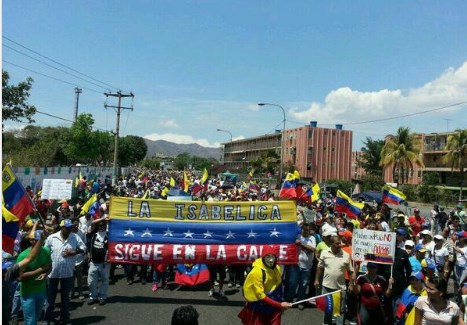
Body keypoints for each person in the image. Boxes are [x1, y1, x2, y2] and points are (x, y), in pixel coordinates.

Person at [44, 219, 86, 325]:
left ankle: (65, 318)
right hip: (52, 273)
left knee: (65, 299)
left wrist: (74, 252)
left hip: (67, 273)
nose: (69, 229)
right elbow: (44, 252)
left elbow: (84, 249)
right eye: (66, 227)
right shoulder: (51, 238)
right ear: (61, 227)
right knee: (50, 299)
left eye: (70, 227)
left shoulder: (75, 237)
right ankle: (47, 319)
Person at [238, 245, 292, 325]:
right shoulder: (256, 273)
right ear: (263, 257)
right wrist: (280, 305)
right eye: (268, 257)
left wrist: (280, 302)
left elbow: (278, 286)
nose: (270, 260)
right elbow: (261, 296)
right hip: (259, 310)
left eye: (273, 257)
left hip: (273, 309)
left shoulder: (277, 268)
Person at [314, 235, 355, 325]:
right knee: (328, 308)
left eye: (340, 243)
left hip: (340, 288)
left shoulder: (346, 255)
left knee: (340, 310)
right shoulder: (324, 253)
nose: (339, 245)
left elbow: (351, 272)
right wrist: (317, 280)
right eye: (337, 243)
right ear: (331, 244)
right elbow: (320, 268)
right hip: (326, 287)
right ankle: (326, 323)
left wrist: (351, 284)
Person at [285, 223, 316, 310]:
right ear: (301, 229)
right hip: (295, 265)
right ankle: (290, 300)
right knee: (292, 283)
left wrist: (301, 244)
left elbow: (312, 249)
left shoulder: (312, 238)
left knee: (303, 284)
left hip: (307, 266)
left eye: (307, 230)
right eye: (304, 229)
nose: (306, 231)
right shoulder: (297, 236)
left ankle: (300, 301)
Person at [87, 219, 110, 305]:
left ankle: (102, 297)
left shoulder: (109, 235)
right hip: (93, 262)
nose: (101, 227)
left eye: (103, 225)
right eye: (100, 225)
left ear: (105, 226)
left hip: (105, 263)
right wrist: (104, 218)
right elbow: (92, 222)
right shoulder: (93, 234)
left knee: (105, 280)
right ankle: (93, 296)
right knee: (91, 281)